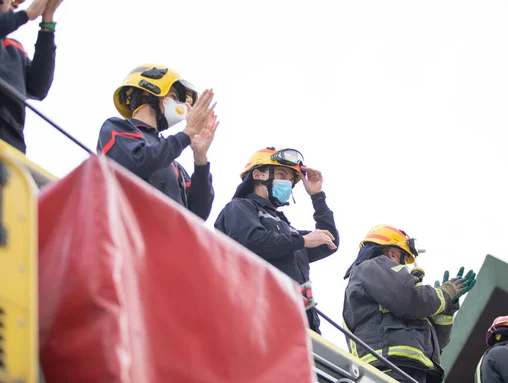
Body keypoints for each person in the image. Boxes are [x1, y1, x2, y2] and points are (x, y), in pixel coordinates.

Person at [214, 147, 339, 333]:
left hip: (303, 326)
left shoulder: (287, 228)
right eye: (282, 174)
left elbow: (330, 241)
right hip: (258, 320)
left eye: (290, 180)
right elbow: (253, 241)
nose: (287, 183)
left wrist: (317, 196)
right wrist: (302, 241)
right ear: (258, 174)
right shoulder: (239, 207)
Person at [342, 224, 476, 383]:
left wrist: (446, 307)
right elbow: (411, 299)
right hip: (389, 368)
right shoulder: (372, 267)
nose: (405, 268)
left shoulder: (383, 286)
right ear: (392, 253)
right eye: (404, 260)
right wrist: (445, 293)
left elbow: (439, 342)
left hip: (412, 371)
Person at [97, 64, 218, 221]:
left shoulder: (173, 164)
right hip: (130, 236)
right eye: (174, 97)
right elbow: (138, 162)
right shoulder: (116, 128)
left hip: (167, 242)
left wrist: (200, 158)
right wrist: (187, 134)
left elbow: (198, 213)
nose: (182, 106)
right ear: (149, 91)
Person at [0, 0, 62, 153]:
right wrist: (27, 15)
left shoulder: (14, 48)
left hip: (10, 143)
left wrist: (47, 23)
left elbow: (38, 87)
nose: (18, 3)